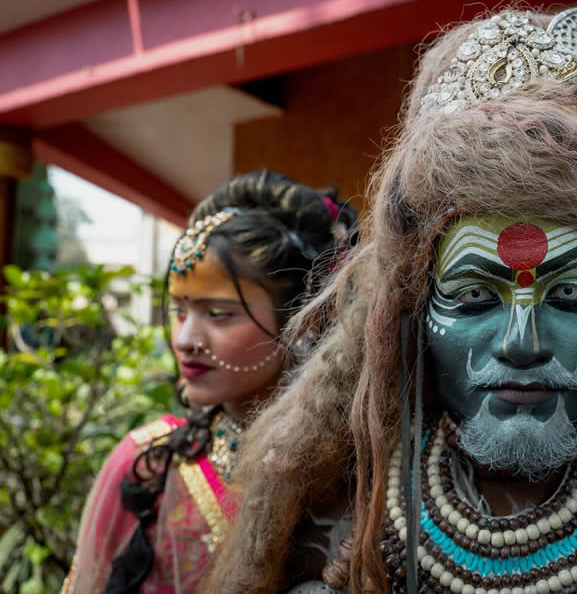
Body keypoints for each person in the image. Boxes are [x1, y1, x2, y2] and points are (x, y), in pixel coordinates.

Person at [204, 7, 577, 594]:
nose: (522, 343)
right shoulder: (335, 525)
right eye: (473, 295)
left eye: (567, 292)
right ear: (410, 311)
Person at [61, 171, 357, 594]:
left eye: (218, 315)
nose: (185, 340)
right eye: (180, 312)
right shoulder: (146, 467)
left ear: (304, 320)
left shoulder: (356, 473)